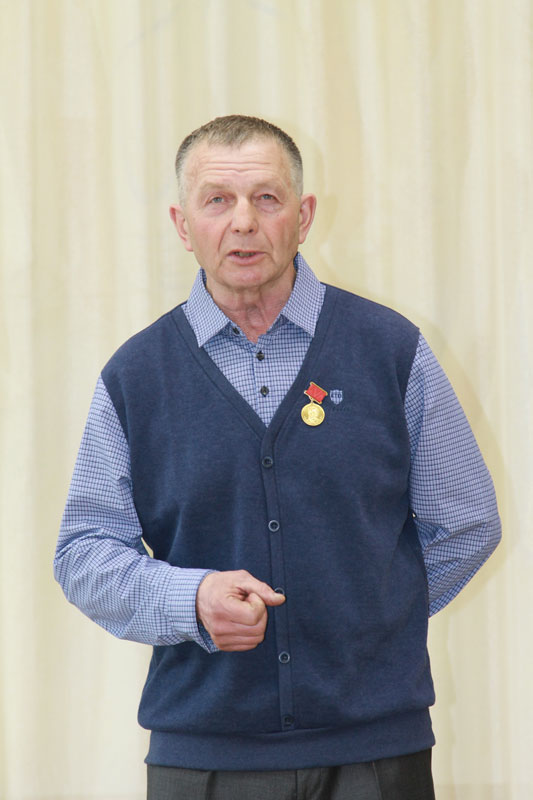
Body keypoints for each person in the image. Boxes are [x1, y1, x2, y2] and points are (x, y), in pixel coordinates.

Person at [54, 115, 501, 800]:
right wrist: (190, 601)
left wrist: (369, 618)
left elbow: (467, 521)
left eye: (266, 198)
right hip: (203, 757)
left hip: (377, 753)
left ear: (304, 216)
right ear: (182, 225)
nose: (243, 222)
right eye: (216, 200)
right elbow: (83, 551)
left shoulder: (391, 350)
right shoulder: (135, 375)